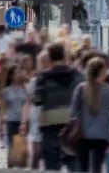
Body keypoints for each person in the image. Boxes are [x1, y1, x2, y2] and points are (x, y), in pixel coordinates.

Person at [34, 41, 84, 171]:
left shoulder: (42, 77)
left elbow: (37, 100)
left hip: (50, 122)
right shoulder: (78, 75)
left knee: (51, 162)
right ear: (64, 56)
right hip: (72, 122)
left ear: (49, 57)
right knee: (73, 158)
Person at [70, 56, 109, 173]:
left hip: (82, 134)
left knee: (82, 167)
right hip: (102, 135)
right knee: (97, 167)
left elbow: (72, 112)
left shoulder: (81, 89)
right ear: (102, 71)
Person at [22, 50, 51, 170]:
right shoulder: (34, 81)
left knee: (48, 155)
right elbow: (27, 102)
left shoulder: (54, 80)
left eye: (47, 61)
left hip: (50, 119)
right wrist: (24, 121)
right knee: (36, 153)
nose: (44, 64)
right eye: (42, 61)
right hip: (36, 119)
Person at [0, 66, 26, 150]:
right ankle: (11, 163)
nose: (17, 75)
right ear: (11, 76)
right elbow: (3, 107)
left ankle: (20, 163)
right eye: (15, 74)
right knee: (12, 147)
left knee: (20, 148)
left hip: (23, 122)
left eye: (19, 73)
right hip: (11, 121)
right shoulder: (6, 91)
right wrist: (0, 123)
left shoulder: (25, 89)